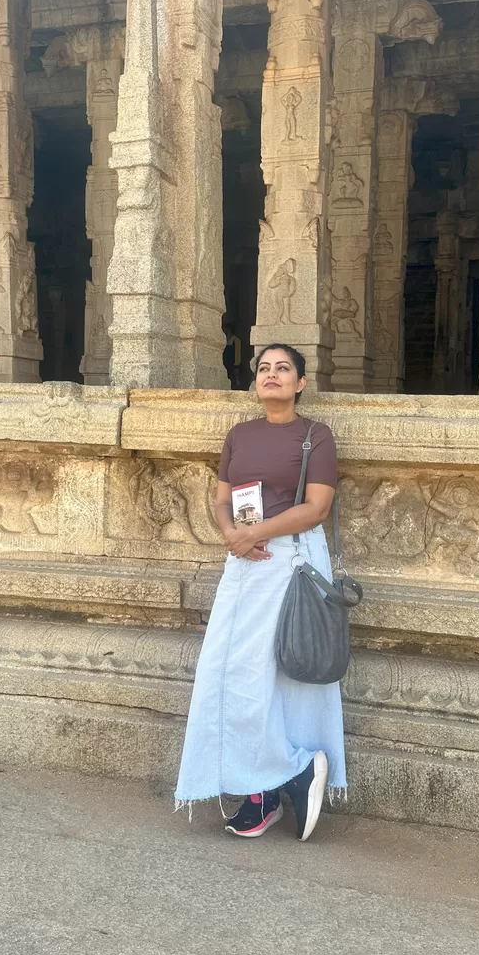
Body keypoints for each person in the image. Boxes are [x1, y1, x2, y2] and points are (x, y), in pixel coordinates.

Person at [175, 342, 346, 841]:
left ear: (300, 383)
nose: (272, 374)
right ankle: (269, 785)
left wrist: (255, 533)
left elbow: (317, 508)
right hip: (244, 561)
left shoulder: (316, 436)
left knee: (286, 672)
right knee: (233, 672)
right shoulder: (239, 435)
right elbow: (222, 499)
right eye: (264, 368)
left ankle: (286, 775)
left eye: (283, 368)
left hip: (291, 562)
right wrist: (233, 534)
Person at [222, 321, 243, 389]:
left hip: (233, 362)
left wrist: (237, 363)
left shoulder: (236, 340)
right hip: (226, 362)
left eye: (226, 330)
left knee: (234, 378)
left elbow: (237, 352)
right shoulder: (224, 340)